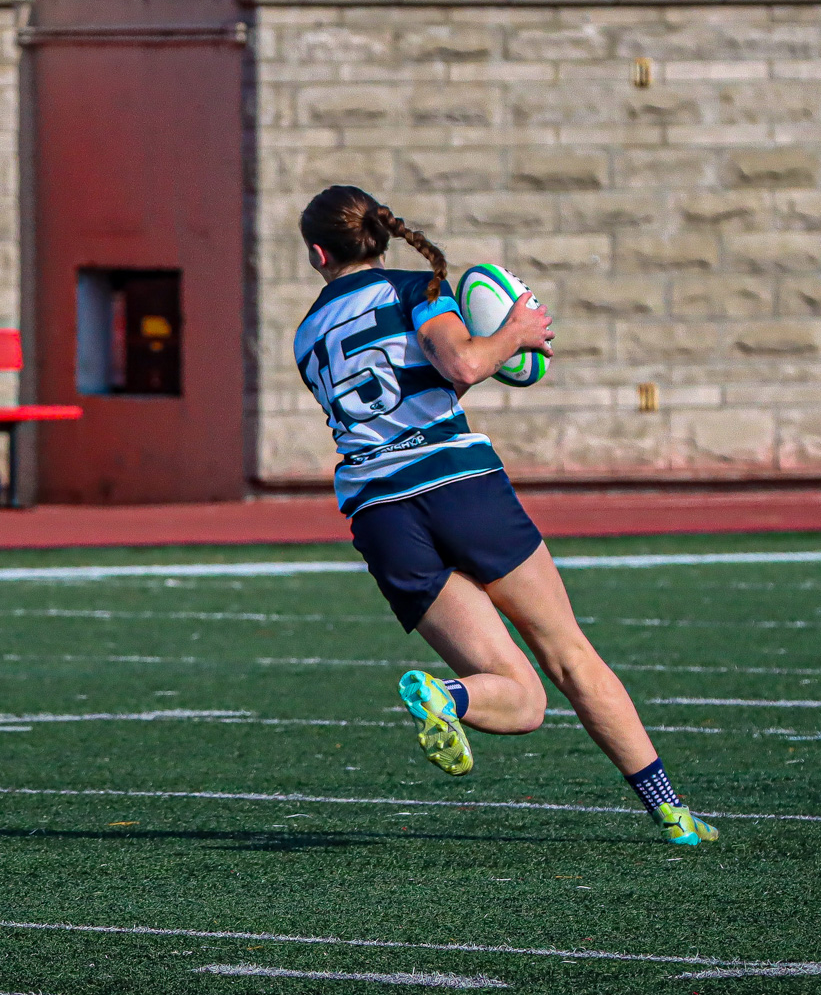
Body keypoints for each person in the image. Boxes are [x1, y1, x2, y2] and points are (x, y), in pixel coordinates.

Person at [293, 184, 719, 846]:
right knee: (569, 656)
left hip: (380, 517)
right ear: (377, 235)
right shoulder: (417, 288)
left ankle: (448, 698)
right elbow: (462, 362)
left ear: (319, 254)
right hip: (457, 487)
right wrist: (514, 335)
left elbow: (396, 388)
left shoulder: (305, 336)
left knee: (521, 699)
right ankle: (673, 813)